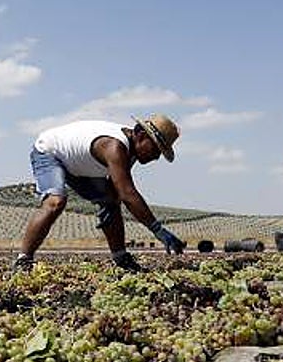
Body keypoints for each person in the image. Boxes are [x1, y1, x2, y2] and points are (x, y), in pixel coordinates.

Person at [14, 114, 186, 271]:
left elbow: (118, 190)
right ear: (141, 136)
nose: (155, 157)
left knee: (112, 200)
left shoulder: (130, 152)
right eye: (155, 150)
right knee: (55, 201)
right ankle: (23, 260)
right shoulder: (114, 147)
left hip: (79, 166)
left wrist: (110, 203)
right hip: (51, 153)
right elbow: (128, 192)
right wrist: (157, 229)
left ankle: (121, 258)